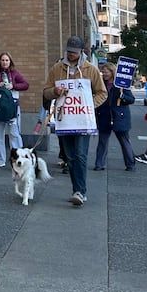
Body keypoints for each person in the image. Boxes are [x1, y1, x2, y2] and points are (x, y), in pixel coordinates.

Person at [42, 36, 107, 207]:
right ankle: (76, 189)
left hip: (83, 119)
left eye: (74, 53)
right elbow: (46, 91)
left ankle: (80, 191)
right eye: (69, 52)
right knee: (70, 156)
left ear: (81, 52)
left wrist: (89, 103)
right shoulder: (57, 68)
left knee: (80, 154)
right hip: (65, 118)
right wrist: (55, 91)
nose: (71, 55)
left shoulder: (90, 69)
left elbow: (102, 92)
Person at [0, 52, 29, 168]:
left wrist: (13, 86)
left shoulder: (14, 73)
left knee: (14, 134)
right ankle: (0, 160)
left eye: (7, 60)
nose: (5, 62)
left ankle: (19, 158)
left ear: (10, 62)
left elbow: (25, 84)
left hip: (12, 108)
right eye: (3, 60)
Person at [94, 63, 136, 171]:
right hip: (104, 115)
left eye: (106, 72)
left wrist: (122, 96)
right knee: (102, 141)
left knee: (124, 140)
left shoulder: (121, 84)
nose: (104, 74)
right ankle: (99, 164)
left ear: (112, 72)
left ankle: (130, 163)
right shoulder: (101, 84)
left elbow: (131, 99)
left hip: (120, 117)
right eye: (103, 72)